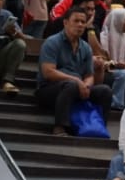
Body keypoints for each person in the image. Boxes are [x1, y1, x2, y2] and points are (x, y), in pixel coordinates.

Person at [36, 7, 113, 137]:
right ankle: (60, 127)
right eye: (76, 21)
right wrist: (77, 81)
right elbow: (48, 72)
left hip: (77, 87)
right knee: (70, 85)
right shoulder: (52, 42)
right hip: (49, 89)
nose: (80, 25)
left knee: (105, 90)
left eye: (83, 22)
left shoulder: (86, 47)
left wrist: (86, 85)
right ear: (65, 22)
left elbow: (89, 75)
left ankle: (100, 126)